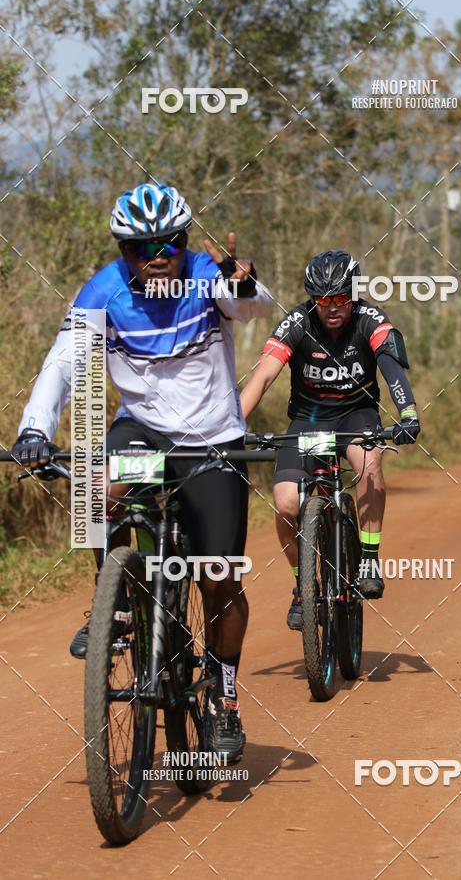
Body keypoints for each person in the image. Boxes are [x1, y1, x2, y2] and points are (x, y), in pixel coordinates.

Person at [11, 181, 272, 759]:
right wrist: (35, 428)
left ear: (184, 243)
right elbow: (64, 363)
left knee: (219, 578)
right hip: (145, 429)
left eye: (169, 244)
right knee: (98, 489)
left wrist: (243, 281)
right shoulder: (103, 292)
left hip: (212, 438)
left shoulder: (208, 273)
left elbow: (253, 308)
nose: (157, 258)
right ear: (121, 251)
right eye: (139, 248)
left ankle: (225, 699)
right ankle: (118, 605)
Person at [240, 249, 420, 629]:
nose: (332, 307)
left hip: (357, 417)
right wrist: (231, 424)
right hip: (309, 421)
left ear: (353, 293)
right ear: (312, 298)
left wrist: (408, 414)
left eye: (340, 298)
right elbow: (262, 377)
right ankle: (300, 587)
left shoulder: (371, 320)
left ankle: (369, 557)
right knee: (287, 503)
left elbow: (393, 371)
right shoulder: (297, 322)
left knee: (370, 466)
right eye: (323, 300)